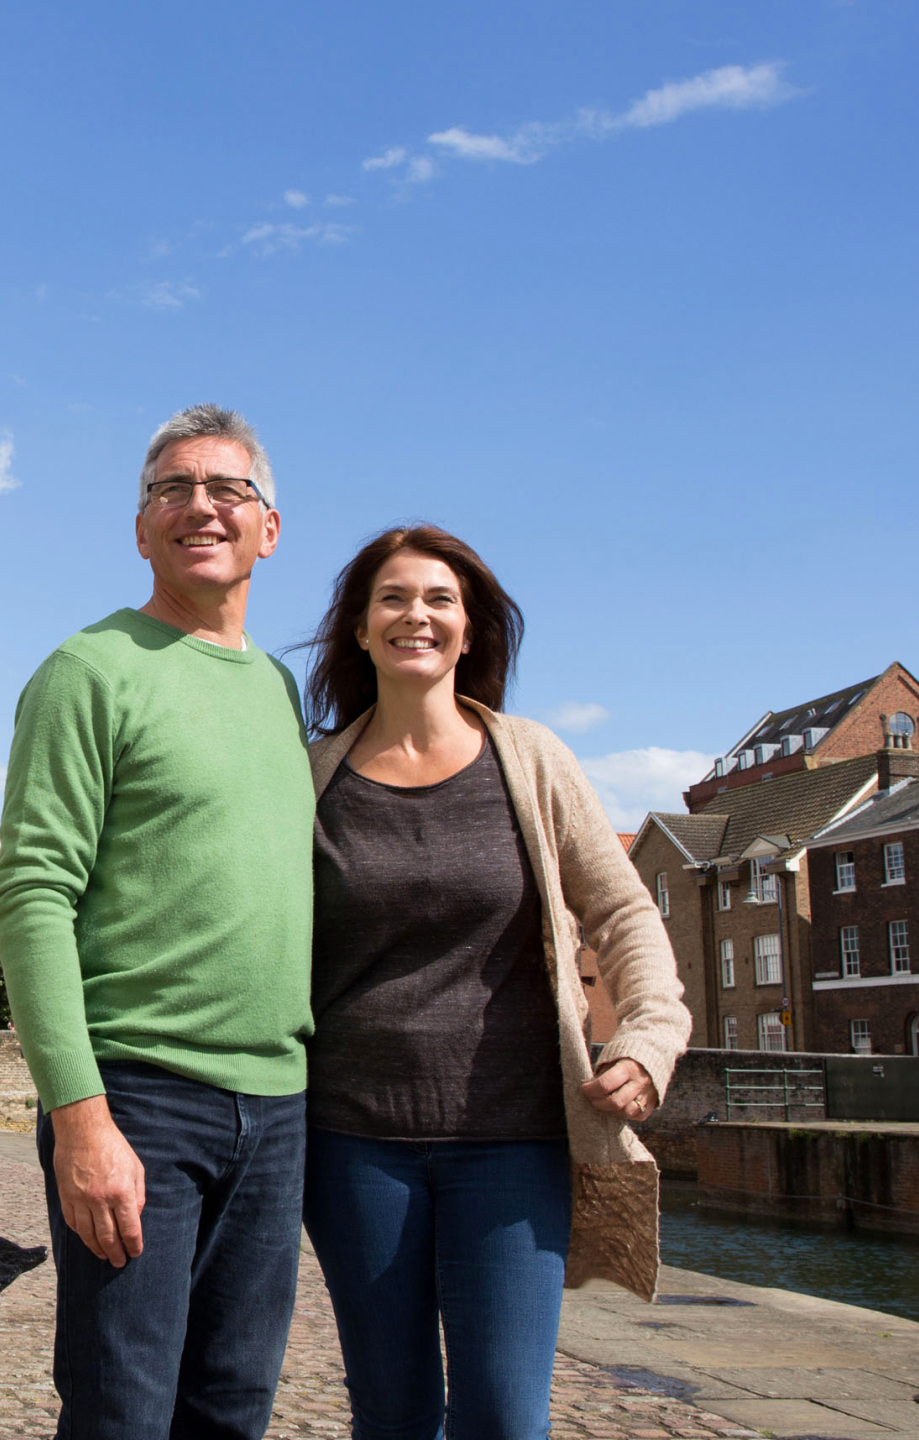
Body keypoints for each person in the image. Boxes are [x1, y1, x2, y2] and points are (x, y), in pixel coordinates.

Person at [297, 524, 689, 1440]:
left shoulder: (533, 758)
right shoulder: (312, 775)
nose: (416, 616)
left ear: (470, 630)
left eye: (440, 599)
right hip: (354, 1144)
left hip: (513, 1140)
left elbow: (624, 914)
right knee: (390, 1416)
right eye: (392, 598)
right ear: (359, 628)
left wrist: (646, 1038)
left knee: (507, 1418)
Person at [0, 404, 315, 1437]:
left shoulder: (278, 688)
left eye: (227, 490)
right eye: (171, 490)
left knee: (231, 1408)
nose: (199, 507)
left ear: (270, 527)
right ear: (141, 531)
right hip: (139, 1100)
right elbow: (32, 892)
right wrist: (79, 1119)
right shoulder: (90, 671)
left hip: (277, 1106)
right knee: (121, 1411)